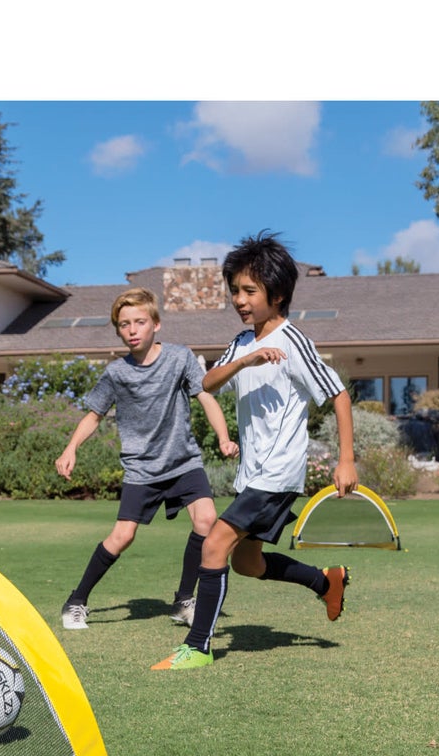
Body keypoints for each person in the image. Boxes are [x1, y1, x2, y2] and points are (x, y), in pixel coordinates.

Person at [152, 232, 357, 671]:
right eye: (235, 291)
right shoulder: (242, 342)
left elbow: (339, 394)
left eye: (249, 291)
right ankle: (326, 583)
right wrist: (246, 359)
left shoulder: (294, 341)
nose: (239, 300)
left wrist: (346, 460)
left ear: (277, 295)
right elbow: (206, 383)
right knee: (247, 563)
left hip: (277, 474)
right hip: (252, 474)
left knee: (214, 545)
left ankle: (198, 647)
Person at [55, 287, 239, 630]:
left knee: (206, 519)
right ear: (118, 330)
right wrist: (71, 448)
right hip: (141, 468)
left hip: (183, 461)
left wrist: (224, 437)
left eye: (140, 322)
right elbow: (94, 415)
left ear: (156, 324)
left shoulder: (180, 357)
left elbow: (205, 397)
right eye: (124, 324)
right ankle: (76, 600)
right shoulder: (116, 373)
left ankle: (184, 601)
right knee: (123, 536)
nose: (132, 330)